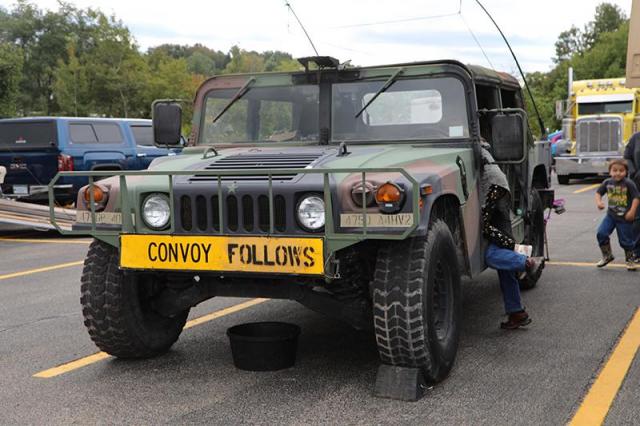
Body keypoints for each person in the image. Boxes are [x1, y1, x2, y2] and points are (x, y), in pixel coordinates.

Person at [480, 143, 545, 329]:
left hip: (492, 187)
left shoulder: (469, 138)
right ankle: (517, 313)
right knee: (504, 261)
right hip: (499, 187)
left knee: (491, 255)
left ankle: (526, 262)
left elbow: (485, 225)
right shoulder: (479, 142)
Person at [595, 159, 640, 270]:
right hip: (611, 216)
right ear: (610, 171)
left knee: (626, 240)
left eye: (621, 170)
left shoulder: (628, 183)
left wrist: (632, 211)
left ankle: (630, 259)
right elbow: (598, 193)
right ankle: (607, 255)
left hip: (625, 218)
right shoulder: (607, 182)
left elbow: (636, 197)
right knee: (601, 233)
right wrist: (599, 202)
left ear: (626, 172)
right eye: (615, 170)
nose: (618, 173)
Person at [623, 132, 640, 259]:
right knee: (637, 220)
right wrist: (633, 171)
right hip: (637, 184)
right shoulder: (636, 137)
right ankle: (636, 251)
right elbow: (627, 157)